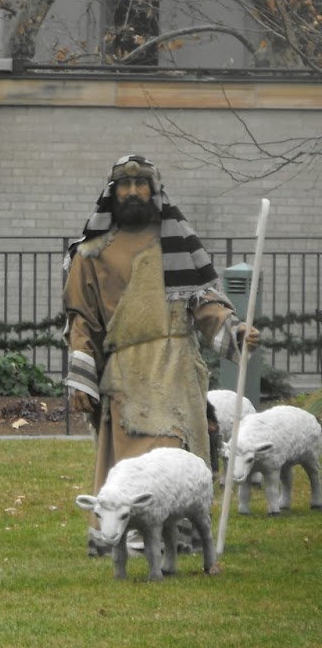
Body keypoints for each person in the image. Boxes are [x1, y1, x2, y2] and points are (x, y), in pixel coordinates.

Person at [63, 154, 259, 555]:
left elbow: (203, 301)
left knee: (173, 450)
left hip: (176, 369)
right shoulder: (90, 253)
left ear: (154, 190)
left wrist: (234, 329)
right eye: (124, 184)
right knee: (134, 455)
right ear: (112, 192)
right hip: (125, 372)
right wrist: (81, 376)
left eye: (141, 183)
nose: (133, 191)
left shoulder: (175, 244)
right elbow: (81, 319)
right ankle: (127, 532)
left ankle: (177, 531)